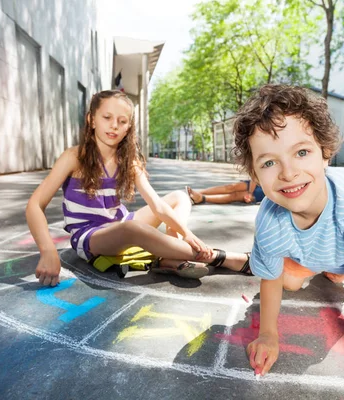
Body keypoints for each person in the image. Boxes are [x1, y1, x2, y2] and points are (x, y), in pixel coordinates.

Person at [232, 85, 344, 400]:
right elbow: (270, 280)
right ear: (255, 175)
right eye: (269, 163)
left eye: (302, 152)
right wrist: (269, 335)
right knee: (286, 281)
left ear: (325, 152)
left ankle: (335, 272)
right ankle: (312, 267)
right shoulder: (269, 218)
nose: (289, 173)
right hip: (311, 257)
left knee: (340, 272)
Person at [26, 90, 251, 286]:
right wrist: (48, 251)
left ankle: (172, 257)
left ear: (129, 128)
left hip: (121, 223)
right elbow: (35, 205)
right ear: (92, 120)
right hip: (90, 236)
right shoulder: (74, 157)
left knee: (179, 198)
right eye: (107, 117)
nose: (114, 125)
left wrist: (187, 234)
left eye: (122, 121)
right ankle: (226, 258)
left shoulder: (128, 161)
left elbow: (158, 206)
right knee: (133, 229)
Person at [185, 180, 265, 205]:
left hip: (264, 191)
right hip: (258, 181)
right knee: (232, 187)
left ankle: (201, 198)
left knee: (236, 195)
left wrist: (250, 195)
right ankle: (198, 193)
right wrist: (250, 192)